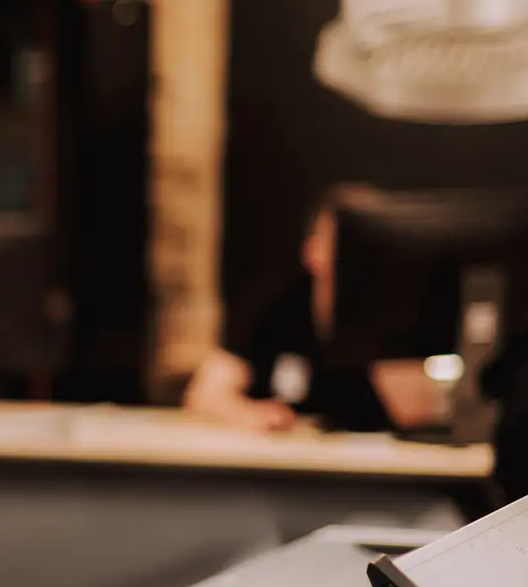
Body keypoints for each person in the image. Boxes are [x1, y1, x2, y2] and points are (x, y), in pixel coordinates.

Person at [183, 184, 447, 433]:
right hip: (290, 461)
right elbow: (205, 394)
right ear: (312, 249)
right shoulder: (278, 303)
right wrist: (250, 415)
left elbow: (418, 415)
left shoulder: (400, 313)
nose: (352, 256)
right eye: (344, 241)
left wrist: (380, 331)